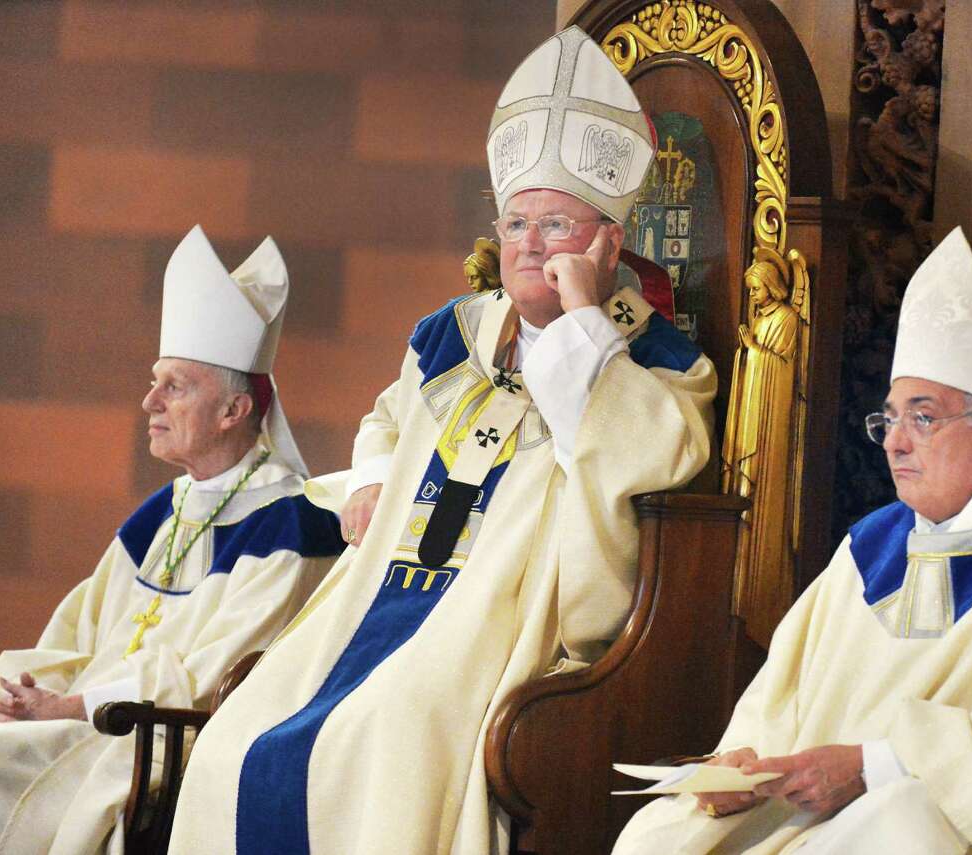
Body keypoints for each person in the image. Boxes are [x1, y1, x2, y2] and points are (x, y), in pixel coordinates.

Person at [167, 26, 716, 855]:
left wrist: (580, 324)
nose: (529, 243)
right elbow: (387, 416)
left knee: (388, 736)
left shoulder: (656, 358)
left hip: (491, 622)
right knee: (235, 738)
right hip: (379, 590)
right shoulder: (454, 332)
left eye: (558, 225)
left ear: (609, 242)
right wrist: (374, 477)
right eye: (517, 222)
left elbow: (632, 465)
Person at [614, 227, 972, 854]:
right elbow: (782, 702)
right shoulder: (873, 545)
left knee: (900, 827)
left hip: (946, 827)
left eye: (923, 418)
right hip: (803, 814)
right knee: (655, 839)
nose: (895, 442)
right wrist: (741, 768)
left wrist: (873, 766)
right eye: (890, 418)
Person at [0, 226, 346, 855]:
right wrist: (27, 692)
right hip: (85, 725)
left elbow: (223, 680)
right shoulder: (163, 512)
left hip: (150, 745)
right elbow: (74, 635)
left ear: (234, 411)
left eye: (176, 386)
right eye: (154, 380)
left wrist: (77, 706)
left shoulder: (292, 524)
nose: (148, 402)